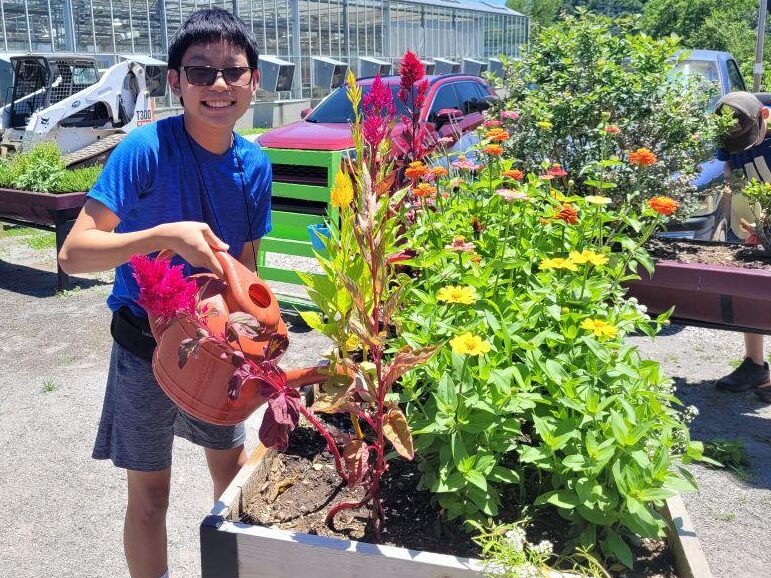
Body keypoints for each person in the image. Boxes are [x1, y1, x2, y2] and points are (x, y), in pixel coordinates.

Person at [58, 8, 271, 578]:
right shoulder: (144, 149)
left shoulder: (256, 165)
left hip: (219, 351)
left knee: (237, 487)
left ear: (254, 80)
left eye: (233, 71)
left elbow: (244, 267)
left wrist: (252, 336)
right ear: (174, 81)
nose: (218, 86)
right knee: (150, 500)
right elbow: (73, 253)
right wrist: (161, 237)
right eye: (200, 72)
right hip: (143, 352)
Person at [714, 91, 771, 403]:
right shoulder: (729, 132)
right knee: (752, 293)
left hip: (765, 221)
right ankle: (755, 366)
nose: (742, 149)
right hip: (748, 222)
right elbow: (730, 172)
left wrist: (766, 226)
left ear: (763, 117)